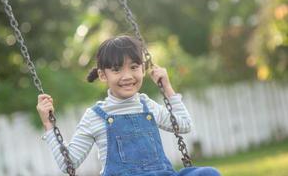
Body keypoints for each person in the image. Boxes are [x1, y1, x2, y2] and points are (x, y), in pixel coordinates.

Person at [37, 35, 220, 176]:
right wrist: (48, 125)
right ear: (103, 75)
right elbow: (68, 163)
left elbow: (184, 125)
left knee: (208, 173)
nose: (127, 76)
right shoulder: (95, 116)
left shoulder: (147, 105)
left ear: (142, 68)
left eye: (133, 67)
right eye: (117, 70)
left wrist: (167, 88)